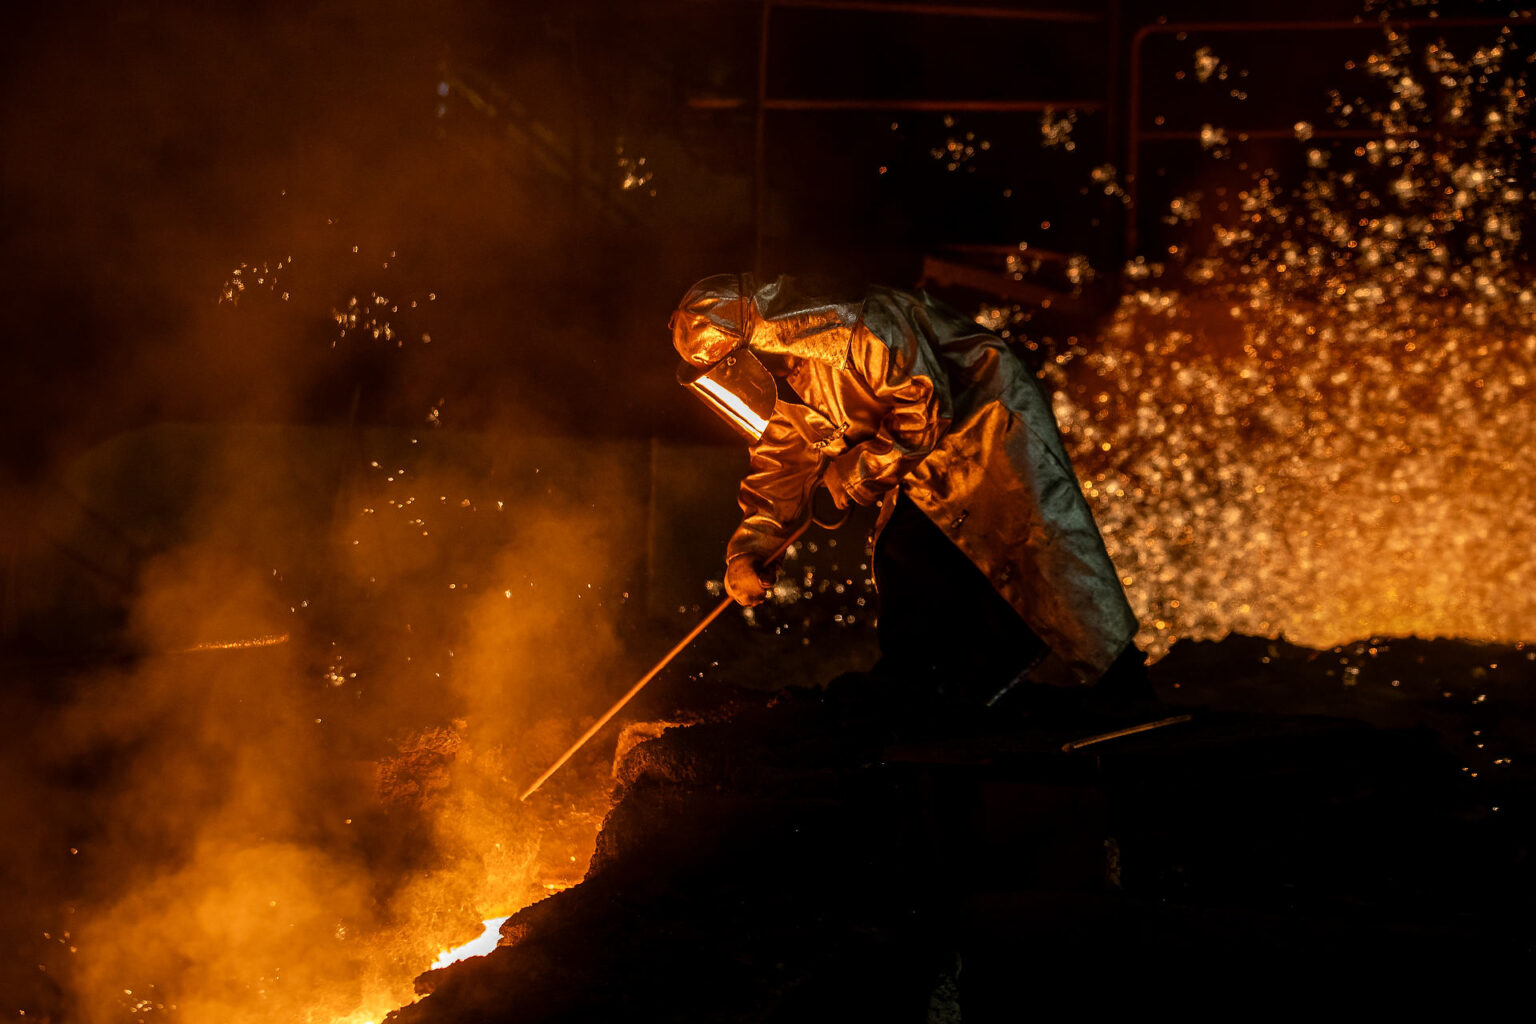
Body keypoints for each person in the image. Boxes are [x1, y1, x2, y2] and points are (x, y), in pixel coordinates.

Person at [671, 273, 1151, 704]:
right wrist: (751, 549)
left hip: (985, 424)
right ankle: (945, 686)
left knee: (1040, 552)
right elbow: (782, 458)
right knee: (915, 557)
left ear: (752, 340)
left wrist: (856, 470)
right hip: (914, 454)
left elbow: (925, 406)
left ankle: (1122, 687)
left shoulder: (860, 325)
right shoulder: (782, 378)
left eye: (727, 364)